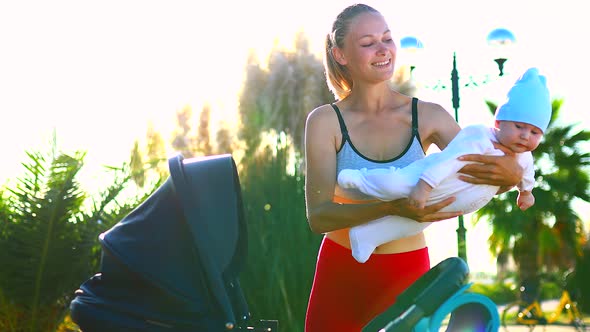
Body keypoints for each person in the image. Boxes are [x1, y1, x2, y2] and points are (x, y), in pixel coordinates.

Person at [303, 4, 525, 331]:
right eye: (368, 43)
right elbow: (318, 216)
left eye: (388, 39)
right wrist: (395, 208)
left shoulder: (429, 116)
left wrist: (515, 174)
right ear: (340, 54)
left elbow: (481, 174)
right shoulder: (325, 121)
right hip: (341, 274)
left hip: (407, 277)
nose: (383, 50)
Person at [337, 67, 551, 263]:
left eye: (534, 132)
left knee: (417, 222)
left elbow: (526, 175)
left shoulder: (524, 157)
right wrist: (424, 186)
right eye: (519, 126)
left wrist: (526, 192)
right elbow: (450, 160)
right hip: (426, 180)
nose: (525, 136)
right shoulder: (479, 136)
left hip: (450, 202)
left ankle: (365, 236)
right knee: (396, 183)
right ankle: (361, 178)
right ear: (498, 122)